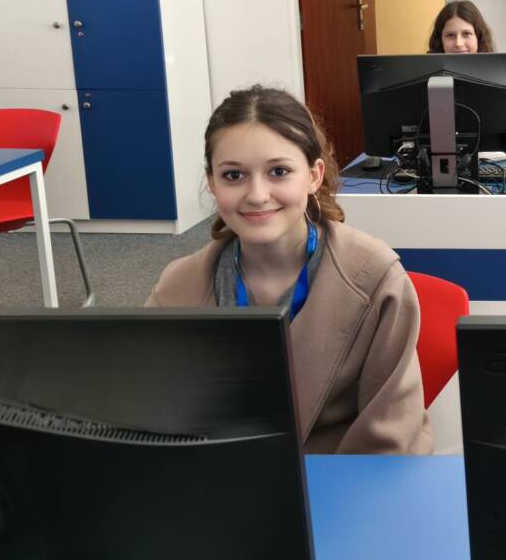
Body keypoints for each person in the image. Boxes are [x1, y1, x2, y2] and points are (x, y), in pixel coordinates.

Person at [147, 86, 434, 455]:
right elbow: (152, 417)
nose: (257, 194)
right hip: (219, 476)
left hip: (340, 478)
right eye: (233, 175)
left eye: (278, 171)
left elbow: (392, 443)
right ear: (212, 184)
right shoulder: (176, 287)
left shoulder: (376, 278)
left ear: (313, 176)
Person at [428, 0, 495, 54]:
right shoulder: (426, 66)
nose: (458, 44)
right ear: (440, 41)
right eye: (450, 35)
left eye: (467, 33)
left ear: (479, 37)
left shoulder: (496, 66)